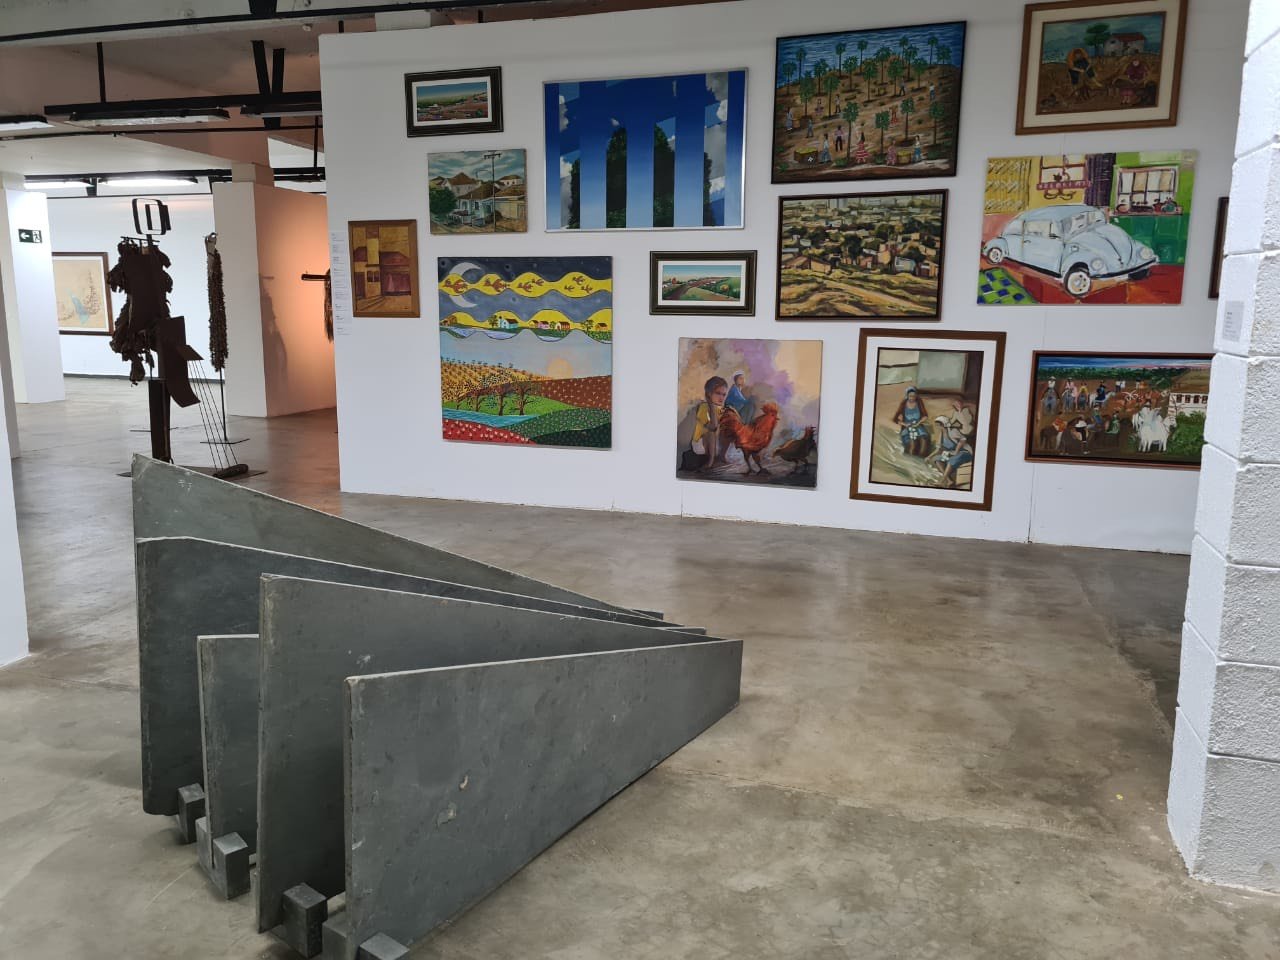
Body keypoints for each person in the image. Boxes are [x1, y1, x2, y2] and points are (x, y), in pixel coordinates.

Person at [689, 375, 728, 471]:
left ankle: (721, 456)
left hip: (716, 445)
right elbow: (713, 426)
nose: (721, 397)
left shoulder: (722, 409)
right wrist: (711, 406)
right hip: (700, 445)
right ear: (709, 394)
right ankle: (710, 461)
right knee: (711, 432)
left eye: (724, 395)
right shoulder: (704, 407)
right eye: (718, 393)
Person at [894, 387, 930, 457]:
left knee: (924, 440)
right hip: (907, 427)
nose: (912, 398)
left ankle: (921, 459)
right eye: (910, 396)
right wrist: (905, 424)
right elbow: (896, 419)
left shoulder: (919, 402)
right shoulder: (903, 404)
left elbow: (925, 416)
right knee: (912, 445)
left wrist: (918, 423)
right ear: (907, 396)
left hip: (918, 426)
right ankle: (911, 460)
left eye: (914, 396)